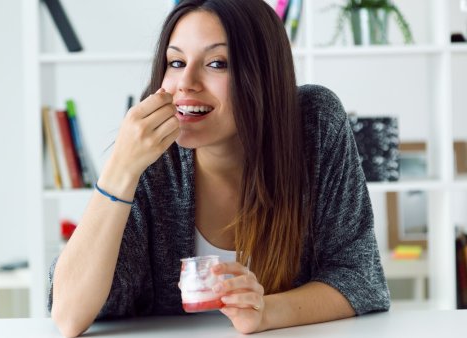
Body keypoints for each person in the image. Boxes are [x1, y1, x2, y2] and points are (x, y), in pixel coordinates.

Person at [48, 0, 390, 337]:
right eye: (177, 61)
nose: (186, 82)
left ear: (263, 74)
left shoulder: (314, 123)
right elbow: (69, 315)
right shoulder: (151, 152)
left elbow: (360, 279)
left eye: (217, 63)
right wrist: (121, 169)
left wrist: (265, 312)